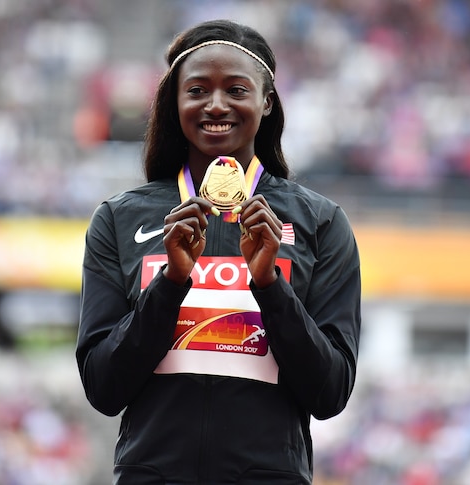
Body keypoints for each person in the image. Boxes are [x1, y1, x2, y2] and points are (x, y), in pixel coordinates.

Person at [75, 19, 362, 484]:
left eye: (236, 89)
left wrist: (270, 286)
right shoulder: (119, 219)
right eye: (197, 90)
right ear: (176, 102)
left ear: (266, 101)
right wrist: (170, 283)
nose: (215, 105)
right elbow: (104, 387)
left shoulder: (321, 224)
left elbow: (329, 393)